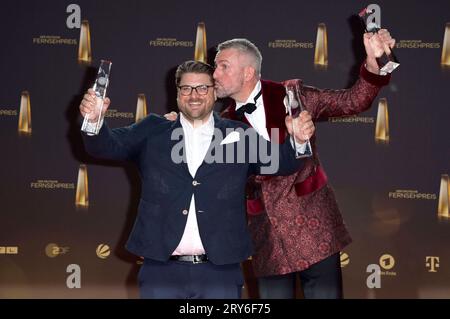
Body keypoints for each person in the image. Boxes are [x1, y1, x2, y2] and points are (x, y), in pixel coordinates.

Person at [79, 60, 315, 299]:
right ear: (178, 93)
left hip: (219, 271)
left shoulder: (239, 134)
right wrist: (94, 121)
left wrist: (297, 140)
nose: (194, 95)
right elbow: (106, 147)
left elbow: (282, 163)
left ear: (214, 92)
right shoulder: (152, 130)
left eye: (202, 88)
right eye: (186, 88)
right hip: (160, 271)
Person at [211, 31, 395, 299]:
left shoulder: (293, 96)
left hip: (315, 229)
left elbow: (354, 101)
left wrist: (375, 61)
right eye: (216, 67)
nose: (215, 73)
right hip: (267, 239)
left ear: (248, 71)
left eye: (223, 66)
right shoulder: (222, 125)